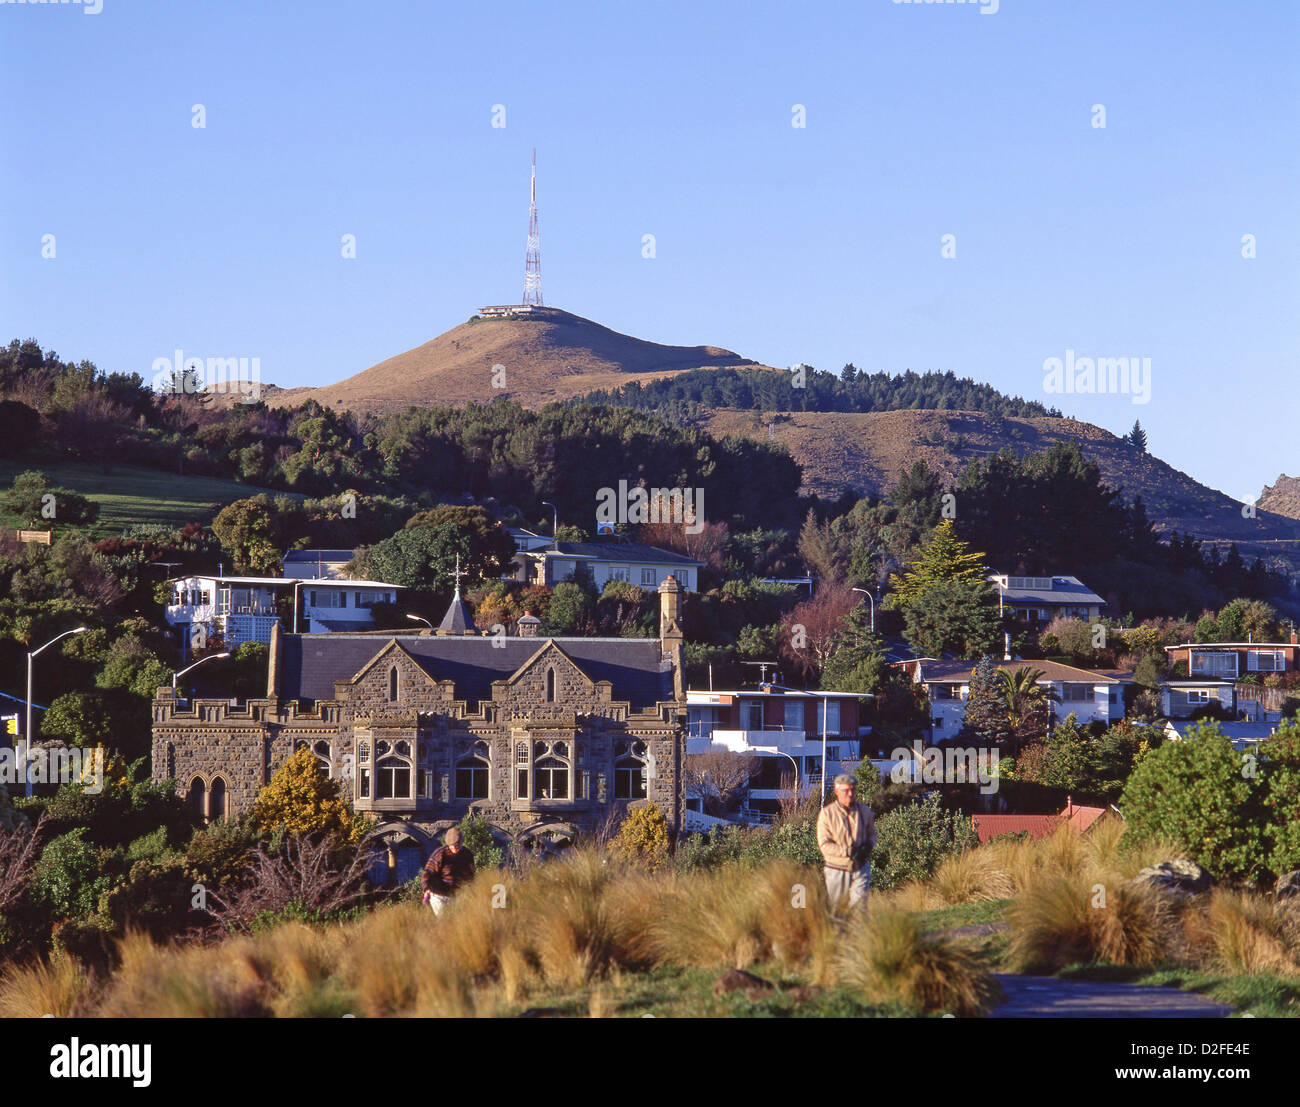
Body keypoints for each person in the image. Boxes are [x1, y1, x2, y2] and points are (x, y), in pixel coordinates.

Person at [816, 773, 876, 911]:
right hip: (836, 869)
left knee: (860, 909)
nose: (850, 794)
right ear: (836, 791)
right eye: (846, 791)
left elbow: (872, 834)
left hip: (860, 867)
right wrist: (847, 851)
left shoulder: (864, 811)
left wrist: (869, 845)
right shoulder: (827, 814)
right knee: (838, 910)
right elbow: (824, 845)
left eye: (853, 790)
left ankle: (858, 932)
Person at [420, 826, 476, 915]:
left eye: (457, 846)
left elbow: (470, 874)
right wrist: (426, 888)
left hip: (457, 895)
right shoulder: (440, 854)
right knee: (444, 921)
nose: (454, 849)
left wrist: (471, 890)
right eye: (452, 846)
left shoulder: (467, 854)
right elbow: (427, 872)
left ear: (462, 842)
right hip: (439, 895)